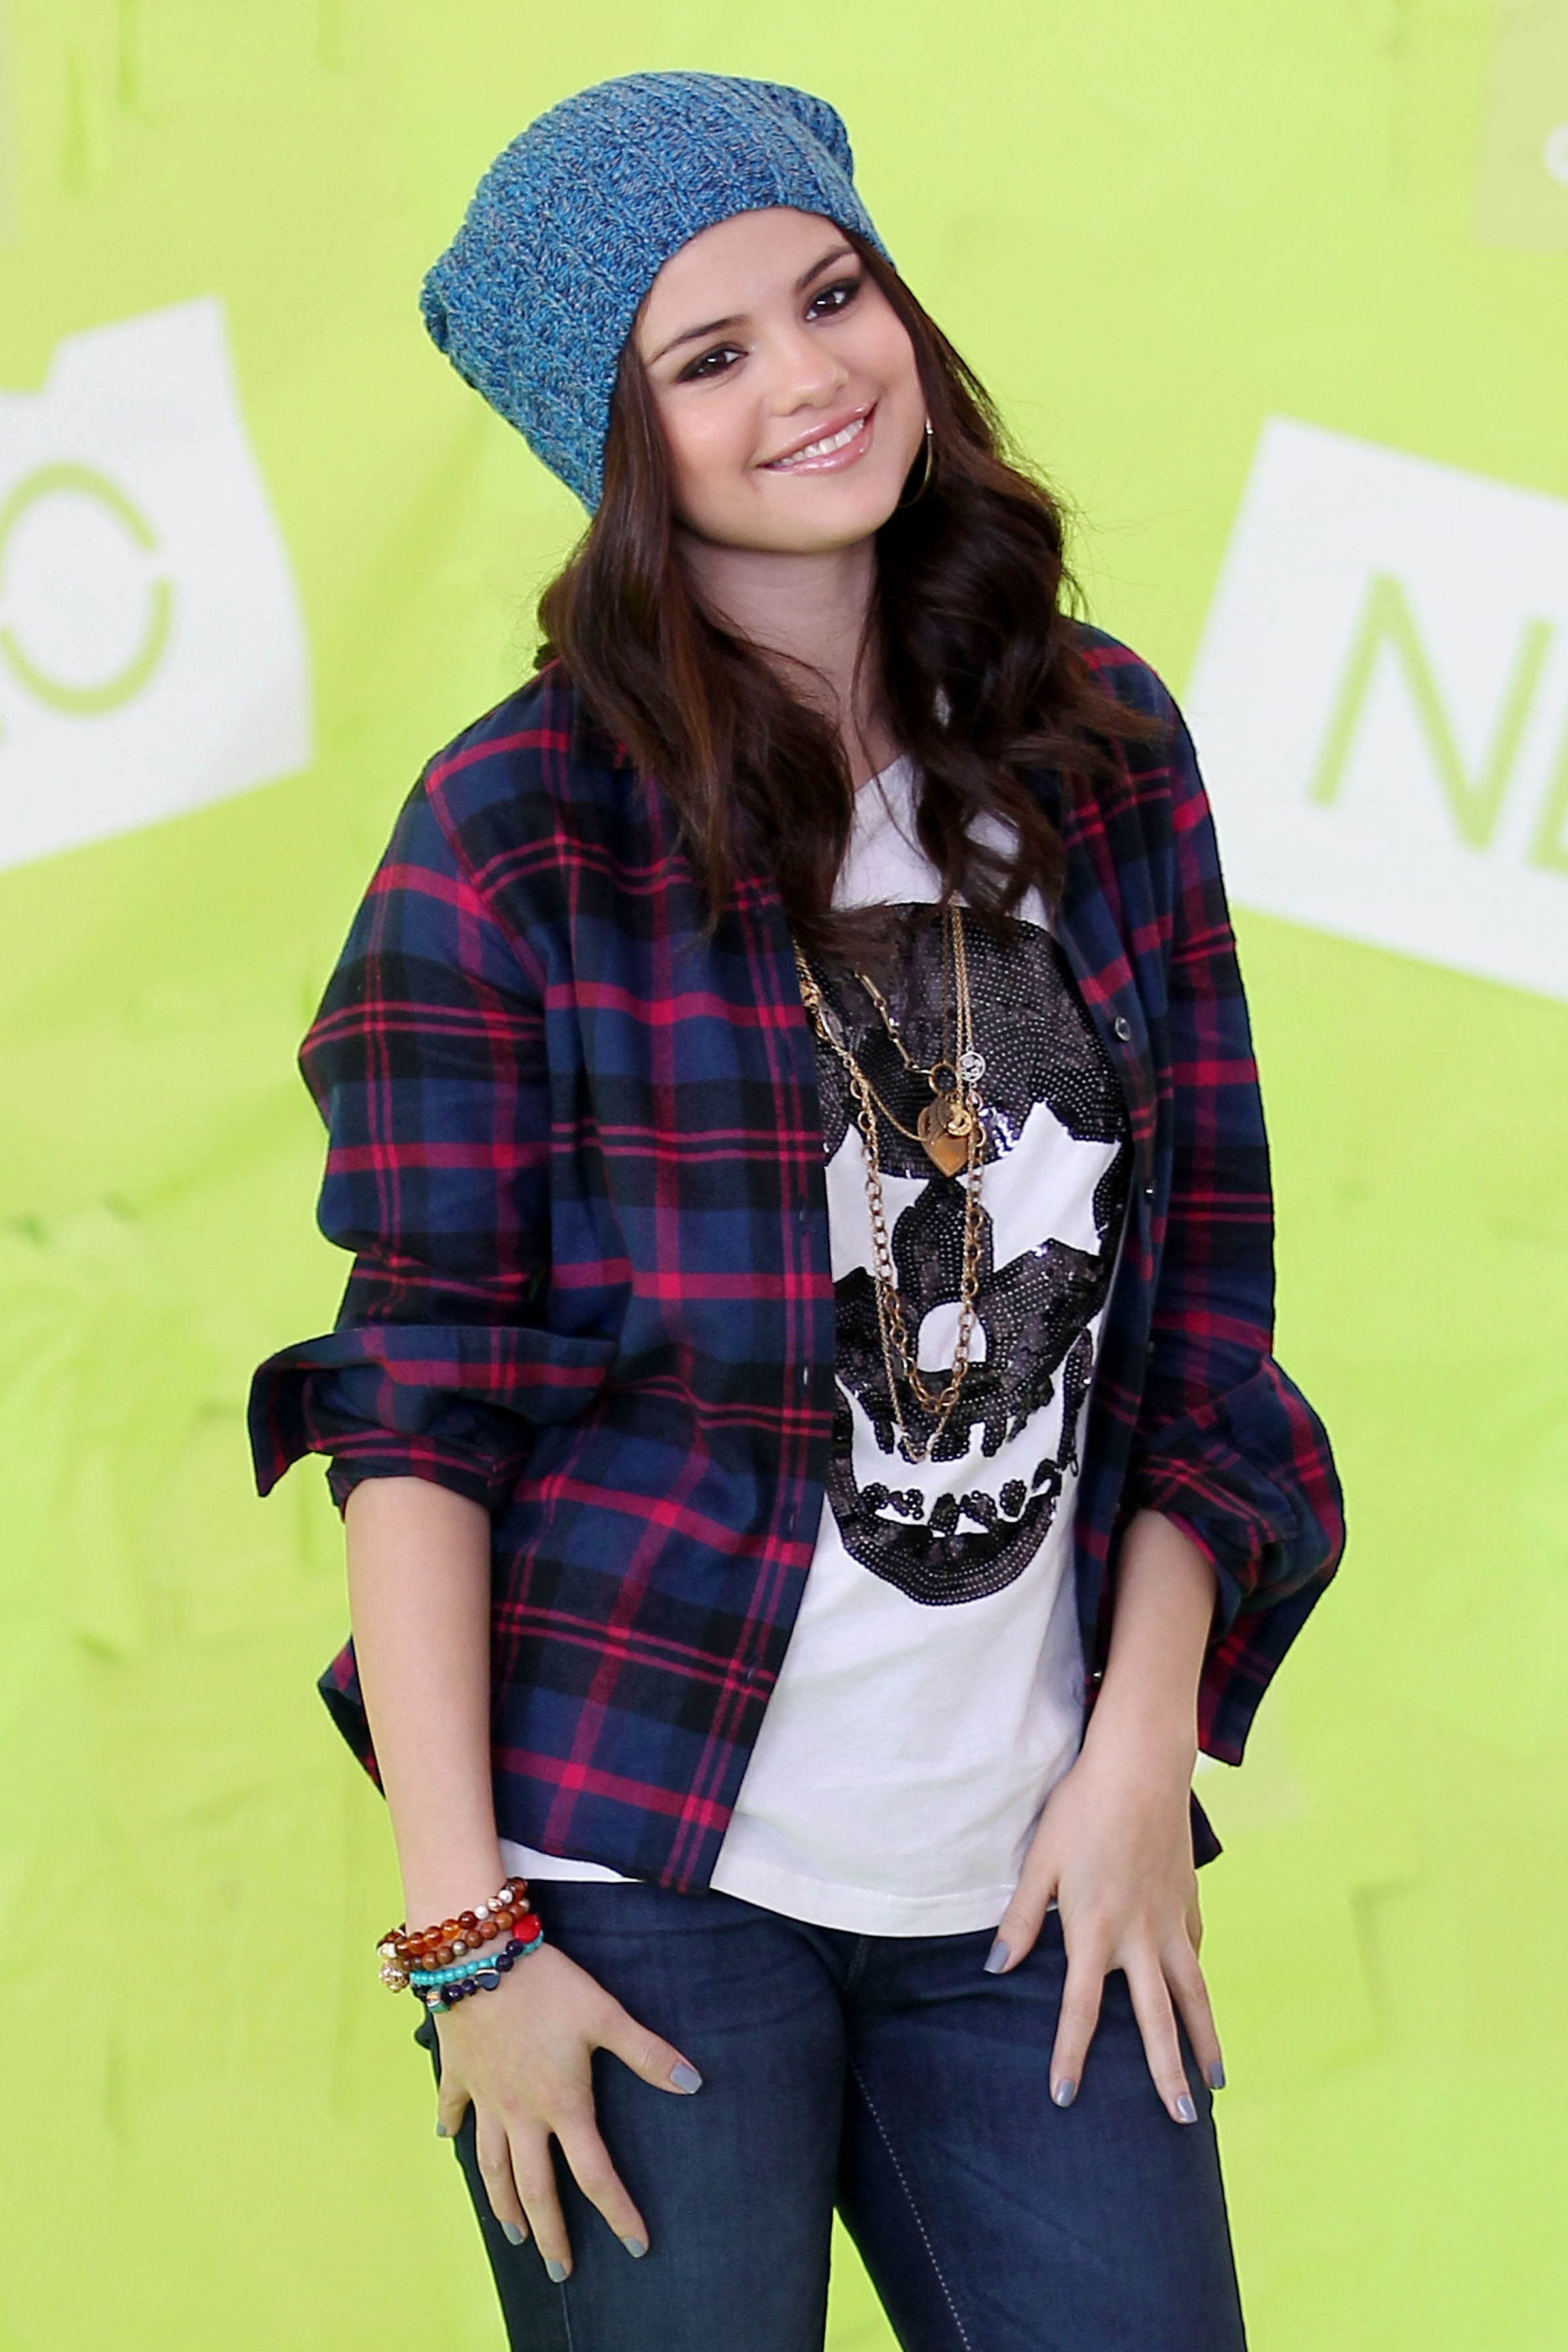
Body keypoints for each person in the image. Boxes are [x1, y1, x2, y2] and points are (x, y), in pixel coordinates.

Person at [249, 69, 1344, 2352]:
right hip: (634, 1881)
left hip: (1031, 1866)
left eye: (833, 296)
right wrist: (468, 1943)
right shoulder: (515, 836)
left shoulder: (1104, 751)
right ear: (620, 442)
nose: (813, 378)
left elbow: (1203, 1315)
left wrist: (1139, 1763)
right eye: (710, 355)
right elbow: (418, 1412)